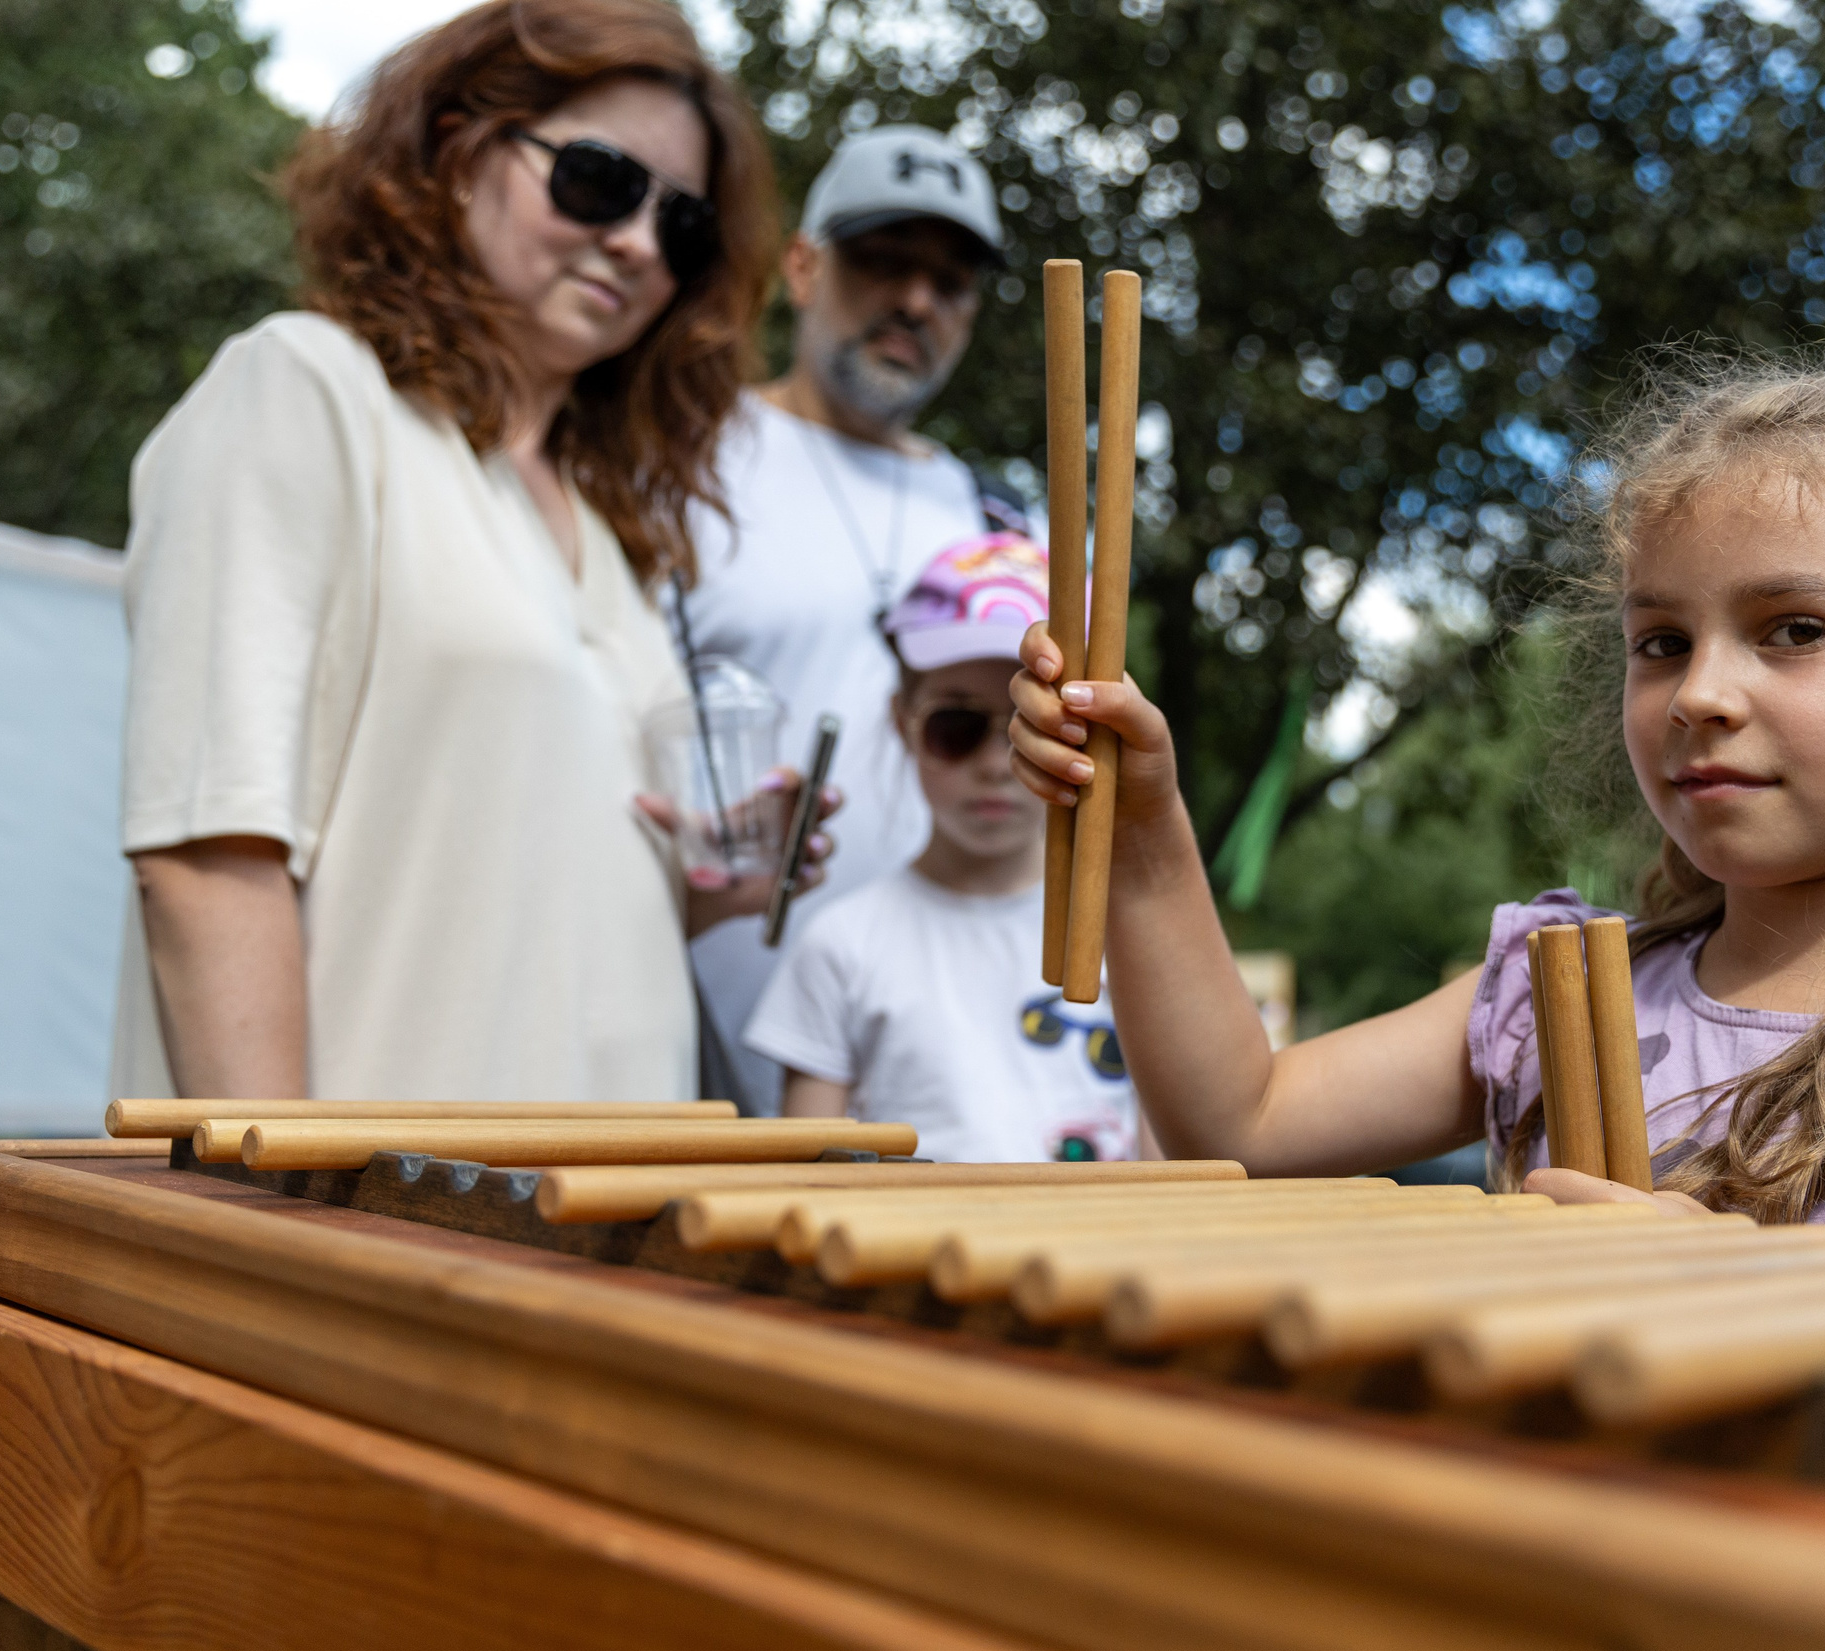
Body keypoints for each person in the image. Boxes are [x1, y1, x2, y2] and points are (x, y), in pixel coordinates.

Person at [1008, 351, 1825, 1255]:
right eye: (1660, 642)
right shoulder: (1548, 995)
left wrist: (1742, 1303)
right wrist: (1146, 835)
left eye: (1793, 631)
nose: (1700, 692)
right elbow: (1241, 1118)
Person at [111, 0, 818, 1101]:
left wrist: (703, 881)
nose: (635, 240)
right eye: (599, 180)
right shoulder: (306, 390)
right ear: (457, 153)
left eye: (680, 227)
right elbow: (207, 857)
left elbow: (491, 890)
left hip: (599, 1227)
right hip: (372, 1236)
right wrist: (275, 1234)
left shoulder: (612, 532)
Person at [677, 123, 1009, 1110]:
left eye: (950, 283)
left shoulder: (1004, 525)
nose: (915, 300)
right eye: (883, 262)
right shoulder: (681, 468)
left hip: (946, 1082)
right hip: (692, 1078)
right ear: (803, 267)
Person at [747, 537, 1140, 1162]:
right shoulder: (841, 947)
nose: (995, 764)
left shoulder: (1136, 939)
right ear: (904, 722)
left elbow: (1177, 1166)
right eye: (956, 725)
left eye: (1033, 727)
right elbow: (805, 1189)